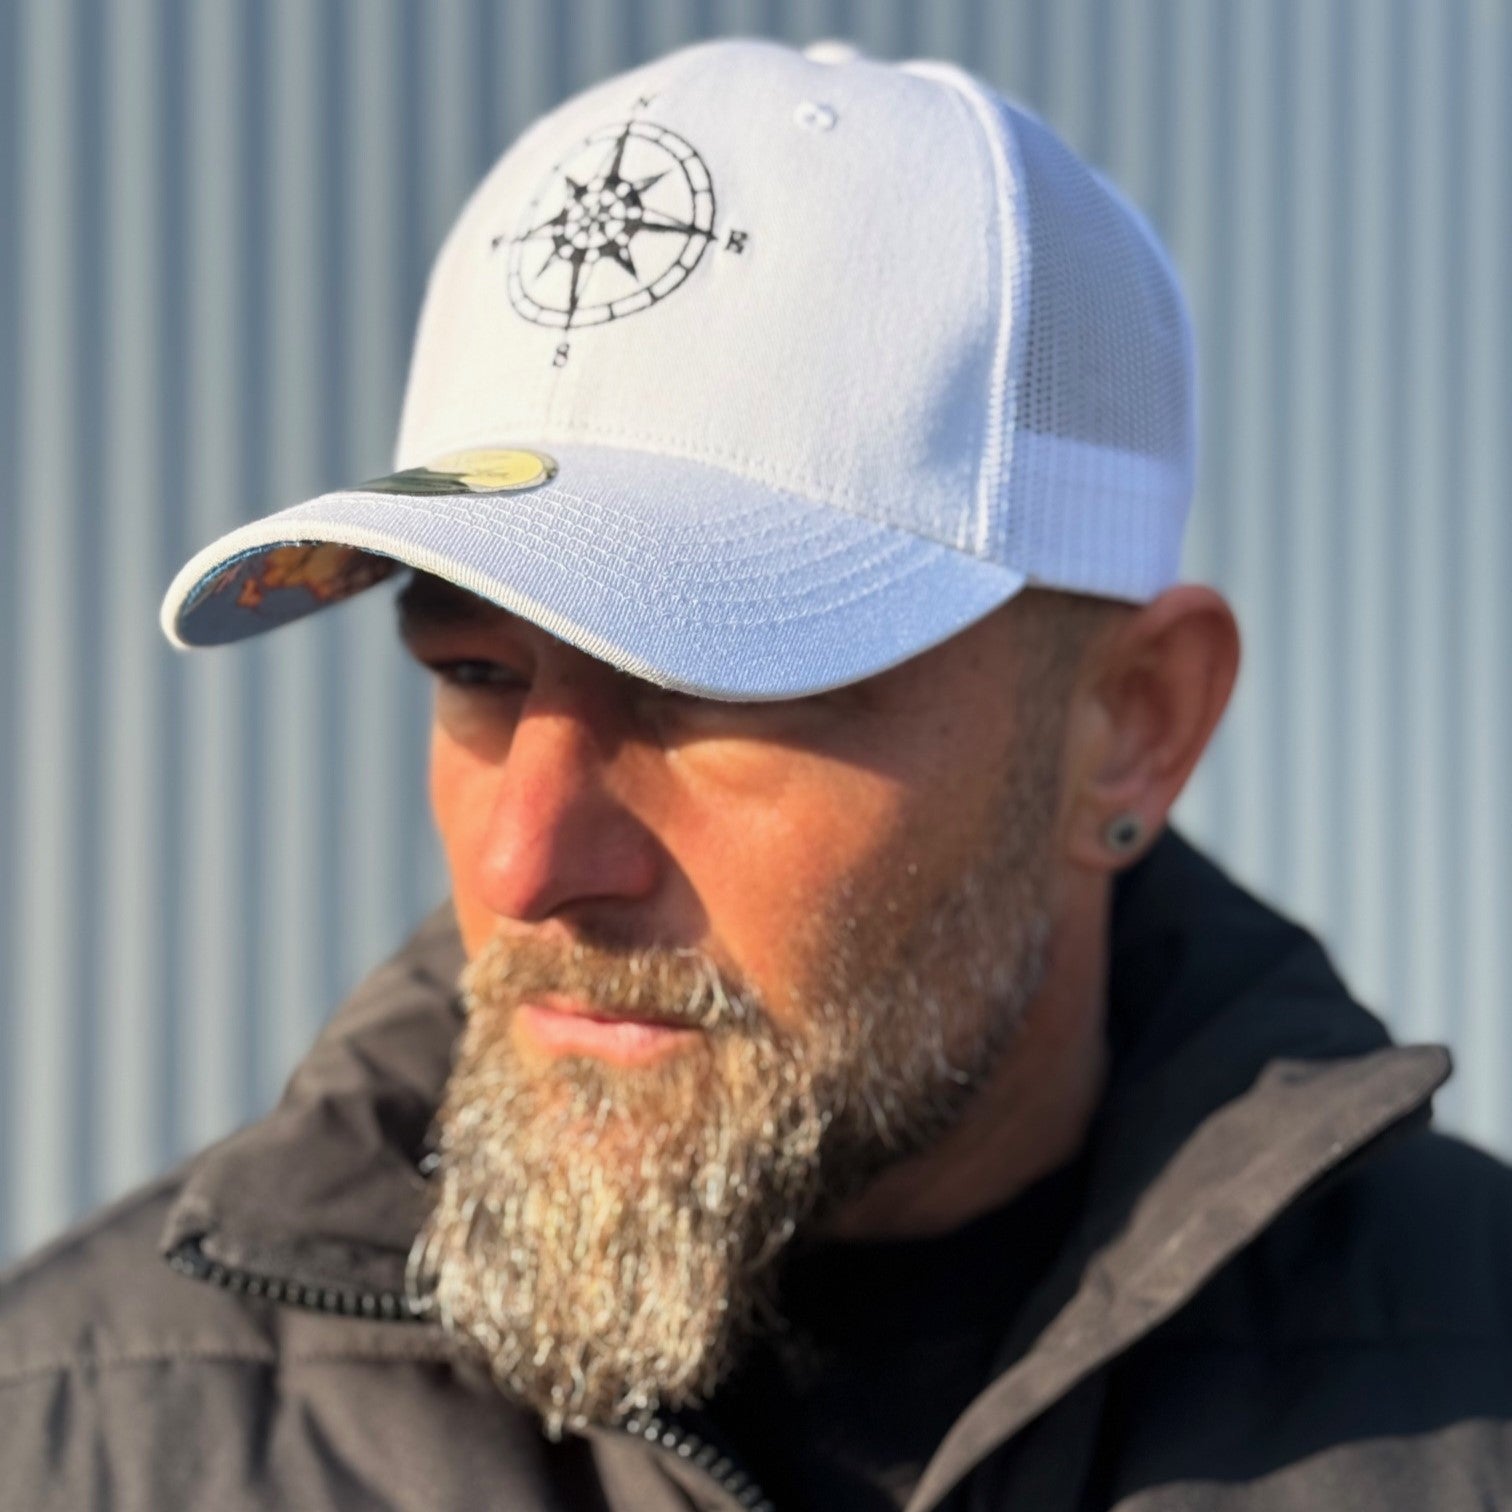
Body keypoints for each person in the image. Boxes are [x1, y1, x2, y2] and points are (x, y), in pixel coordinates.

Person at [2, 36, 1509, 1512]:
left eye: (716, 687)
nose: (528, 862)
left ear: (1135, 724)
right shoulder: (83, 1430)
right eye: (476, 676)